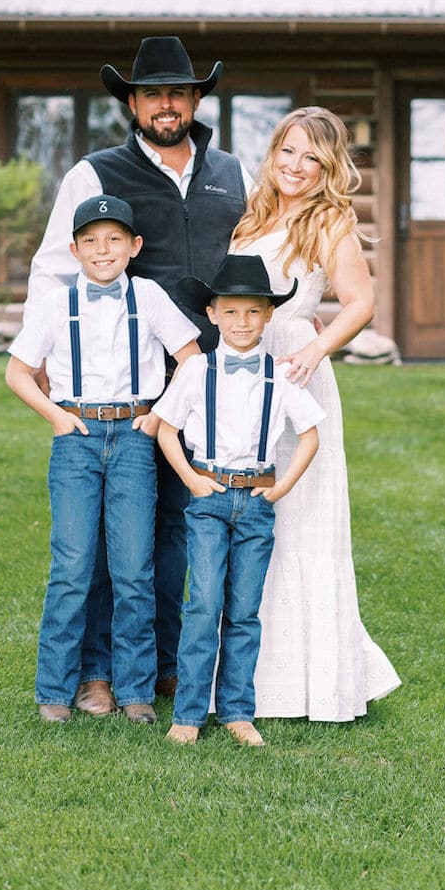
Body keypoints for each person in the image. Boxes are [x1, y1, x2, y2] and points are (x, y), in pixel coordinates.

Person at [23, 37, 248, 708]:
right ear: (132, 102)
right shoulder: (95, 174)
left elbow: (257, 261)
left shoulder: (233, 174)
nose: (167, 105)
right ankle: (95, 673)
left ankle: (166, 666)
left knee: (183, 528)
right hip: (125, 388)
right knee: (103, 540)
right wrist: (36, 363)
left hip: (207, 379)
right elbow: (53, 268)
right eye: (153, 93)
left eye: (179, 92)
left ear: (197, 99)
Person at [231, 107, 401, 721]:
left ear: (328, 168)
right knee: (247, 514)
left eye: (312, 158)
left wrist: (314, 346)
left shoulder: (328, 220)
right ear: (273, 152)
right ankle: (244, 674)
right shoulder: (252, 214)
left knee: (297, 515)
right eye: (288, 152)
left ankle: (313, 681)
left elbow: (361, 303)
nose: (297, 168)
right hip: (243, 367)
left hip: (296, 367)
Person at [6, 195, 201, 723]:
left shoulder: (149, 296)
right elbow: (17, 372)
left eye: (114, 238)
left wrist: (158, 416)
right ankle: (55, 688)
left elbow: (191, 359)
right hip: (77, 436)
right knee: (72, 564)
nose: (102, 249)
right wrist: (56, 416)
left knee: (134, 565)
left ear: (134, 246)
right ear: (74, 249)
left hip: (135, 438)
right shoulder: (56, 303)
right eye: (90, 240)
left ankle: (135, 689)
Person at [154, 255, 324, 746]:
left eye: (253, 312)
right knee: (203, 605)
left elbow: (310, 435)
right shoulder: (196, 371)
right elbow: (167, 430)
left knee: (244, 611)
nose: (242, 322)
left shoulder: (280, 375)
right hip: (208, 499)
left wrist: (281, 487)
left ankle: (236, 711)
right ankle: (187, 715)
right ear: (212, 314)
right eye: (231, 312)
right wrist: (190, 479)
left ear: (269, 315)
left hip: (255, 504)